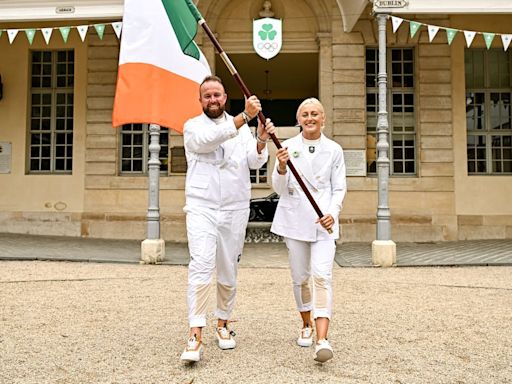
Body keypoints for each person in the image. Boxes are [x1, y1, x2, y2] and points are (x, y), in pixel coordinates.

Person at [180, 75, 275, 363]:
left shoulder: (242, 127)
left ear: (225, 97)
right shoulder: (192, 126)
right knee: (201, 264)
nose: (213, 100)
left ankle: (223, 323)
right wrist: (244, 117)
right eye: (207, 95)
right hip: (202, 206)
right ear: (200, 100)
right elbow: (207, 143)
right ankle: (195, 331)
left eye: (218, 95)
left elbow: (254, 161)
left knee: (228, 270)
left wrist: (260, 138)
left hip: (234, 206)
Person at [270, 97, 346, 363]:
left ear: (323, 118)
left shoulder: (335, 150)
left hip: (323, 222)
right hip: (295, 220)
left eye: (315, 114)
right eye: (305, 114)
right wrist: (280, 167)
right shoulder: (287, 147)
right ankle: (305, 323)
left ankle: (322, 338)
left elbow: (339, 188)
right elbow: (278, 189)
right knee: (300, 277)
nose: (310, 118)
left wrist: (332, 214)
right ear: (298, 119)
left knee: (322, 276)